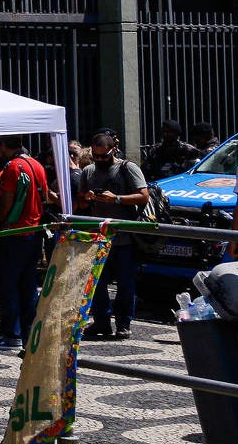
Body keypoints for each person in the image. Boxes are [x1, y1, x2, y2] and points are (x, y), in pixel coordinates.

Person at [75, 129, 150, 339]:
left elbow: (143, 196)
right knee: (97, 283)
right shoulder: (88, 171)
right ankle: (101, 321)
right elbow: (80, 202)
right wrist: (87, 197)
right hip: (99, 237)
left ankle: (123, 323)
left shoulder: (127, 168)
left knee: (125, 284)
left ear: (113, 150)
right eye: (96, 156)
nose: (99, 160)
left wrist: (116, 199)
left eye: (104, 156)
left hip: (124, 238)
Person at [0, 134, 49, 351]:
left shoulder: (13, 167)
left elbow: (7, 201)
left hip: (15, 232)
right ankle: (28, 332)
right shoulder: (36, 164)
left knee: (8, 284)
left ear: (3, 146)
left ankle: (12, 334)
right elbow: (46, 195)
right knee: (28, 284)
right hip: (33, 231)